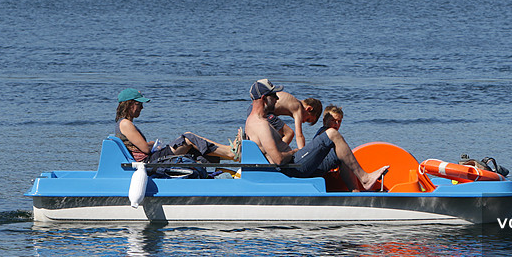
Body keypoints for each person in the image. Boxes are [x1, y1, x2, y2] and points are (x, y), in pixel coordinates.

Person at [244, 79, 388, 192]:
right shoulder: (261, 125)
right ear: (264, 98)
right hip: (293, 167)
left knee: (341, 153)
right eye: (273, 95)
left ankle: (355, 196)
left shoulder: (257, 121)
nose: (277, 98)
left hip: (293, 163)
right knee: (331, 133)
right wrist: (295, 151)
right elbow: (278, 160)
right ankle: (364, 178)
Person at [114, 88, 237, 163]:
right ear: (130, 105)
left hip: (152, 157)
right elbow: (145, 149)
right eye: (139, 104)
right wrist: (152, 144)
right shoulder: (125, 123)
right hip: (150, 161)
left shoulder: (124, 123)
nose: (142, 107)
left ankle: (229, 153)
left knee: (193, 146)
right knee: (188, 138)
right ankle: (230, 152)